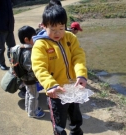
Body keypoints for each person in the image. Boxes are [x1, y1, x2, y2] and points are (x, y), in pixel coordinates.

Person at [31, 5, 87, 135]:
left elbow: (78, 57)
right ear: (44, 26)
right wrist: (50, 85)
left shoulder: (70, 38)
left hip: (72, 86)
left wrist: (81, 75)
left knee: (76, 117)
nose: (58, 33)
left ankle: (76, 132)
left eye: (61, 28)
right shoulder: (40, 45)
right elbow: (39, 67)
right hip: (55, 92)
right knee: (59, 123)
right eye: (53, 29)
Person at [17, 25, 45, 118]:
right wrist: (40, 78)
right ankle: (33, 112)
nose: (36, 39)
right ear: (26, 39)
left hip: (25, 78)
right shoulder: (29, 52)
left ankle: (28, 108)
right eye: (34, 37)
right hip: (31, 79)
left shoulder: (21, 49)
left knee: (29, 93)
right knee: (34, 95)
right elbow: (32, 68)